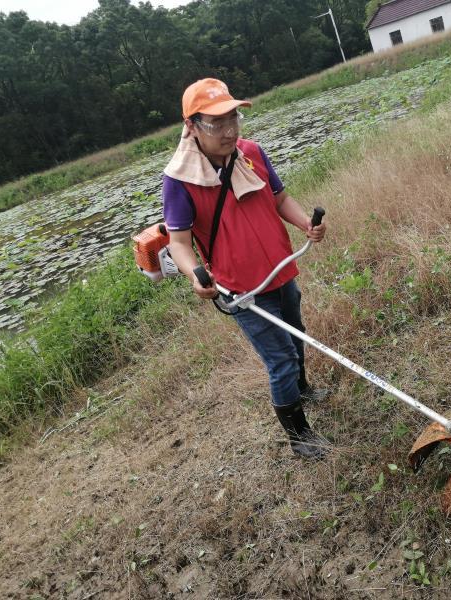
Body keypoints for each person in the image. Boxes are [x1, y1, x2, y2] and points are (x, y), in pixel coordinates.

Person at [161, 78, 330, 459]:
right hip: (243, 291)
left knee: (297, 334)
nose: (229, 130)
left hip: (281, 269)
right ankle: (299, 436)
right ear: (191, 126)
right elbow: (179, 242)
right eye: (216, 123)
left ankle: (302, 389)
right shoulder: (179, 181)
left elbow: (279, 197)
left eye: (233, 117)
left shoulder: (251, 152)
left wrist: (305, 223)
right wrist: (194, 275)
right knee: (280, 360)